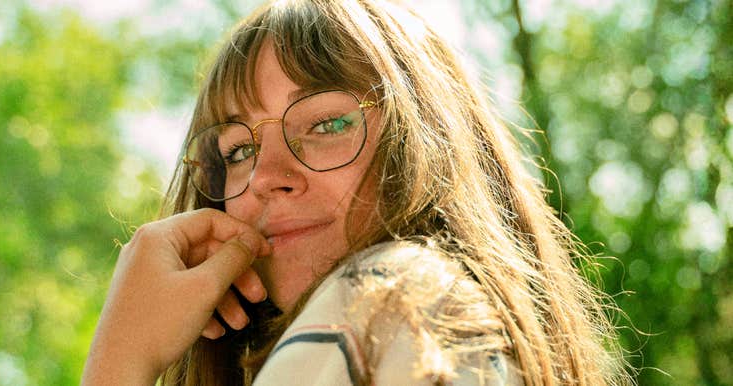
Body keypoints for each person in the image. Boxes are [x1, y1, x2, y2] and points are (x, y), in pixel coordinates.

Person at [82, 0, 633, 385]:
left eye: (325, 124)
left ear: (426, 140)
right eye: (238, 152)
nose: (268, 174)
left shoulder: (382, 300)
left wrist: (119, 360)